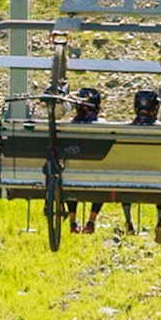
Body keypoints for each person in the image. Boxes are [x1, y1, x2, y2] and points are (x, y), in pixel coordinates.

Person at [122, 89, 161, 244]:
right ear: (155, 108)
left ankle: (128, 220)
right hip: (156, 175)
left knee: (124, 184)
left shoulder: (126, 129)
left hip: (130, 174)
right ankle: (160, 219)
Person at [67, 87, 103, 233]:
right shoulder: (102, 126)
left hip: (73, 171)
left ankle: (72, 219)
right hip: (97, 173)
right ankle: (91, 220)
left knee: (69, 183)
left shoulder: (70, 126)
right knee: (103, 184)